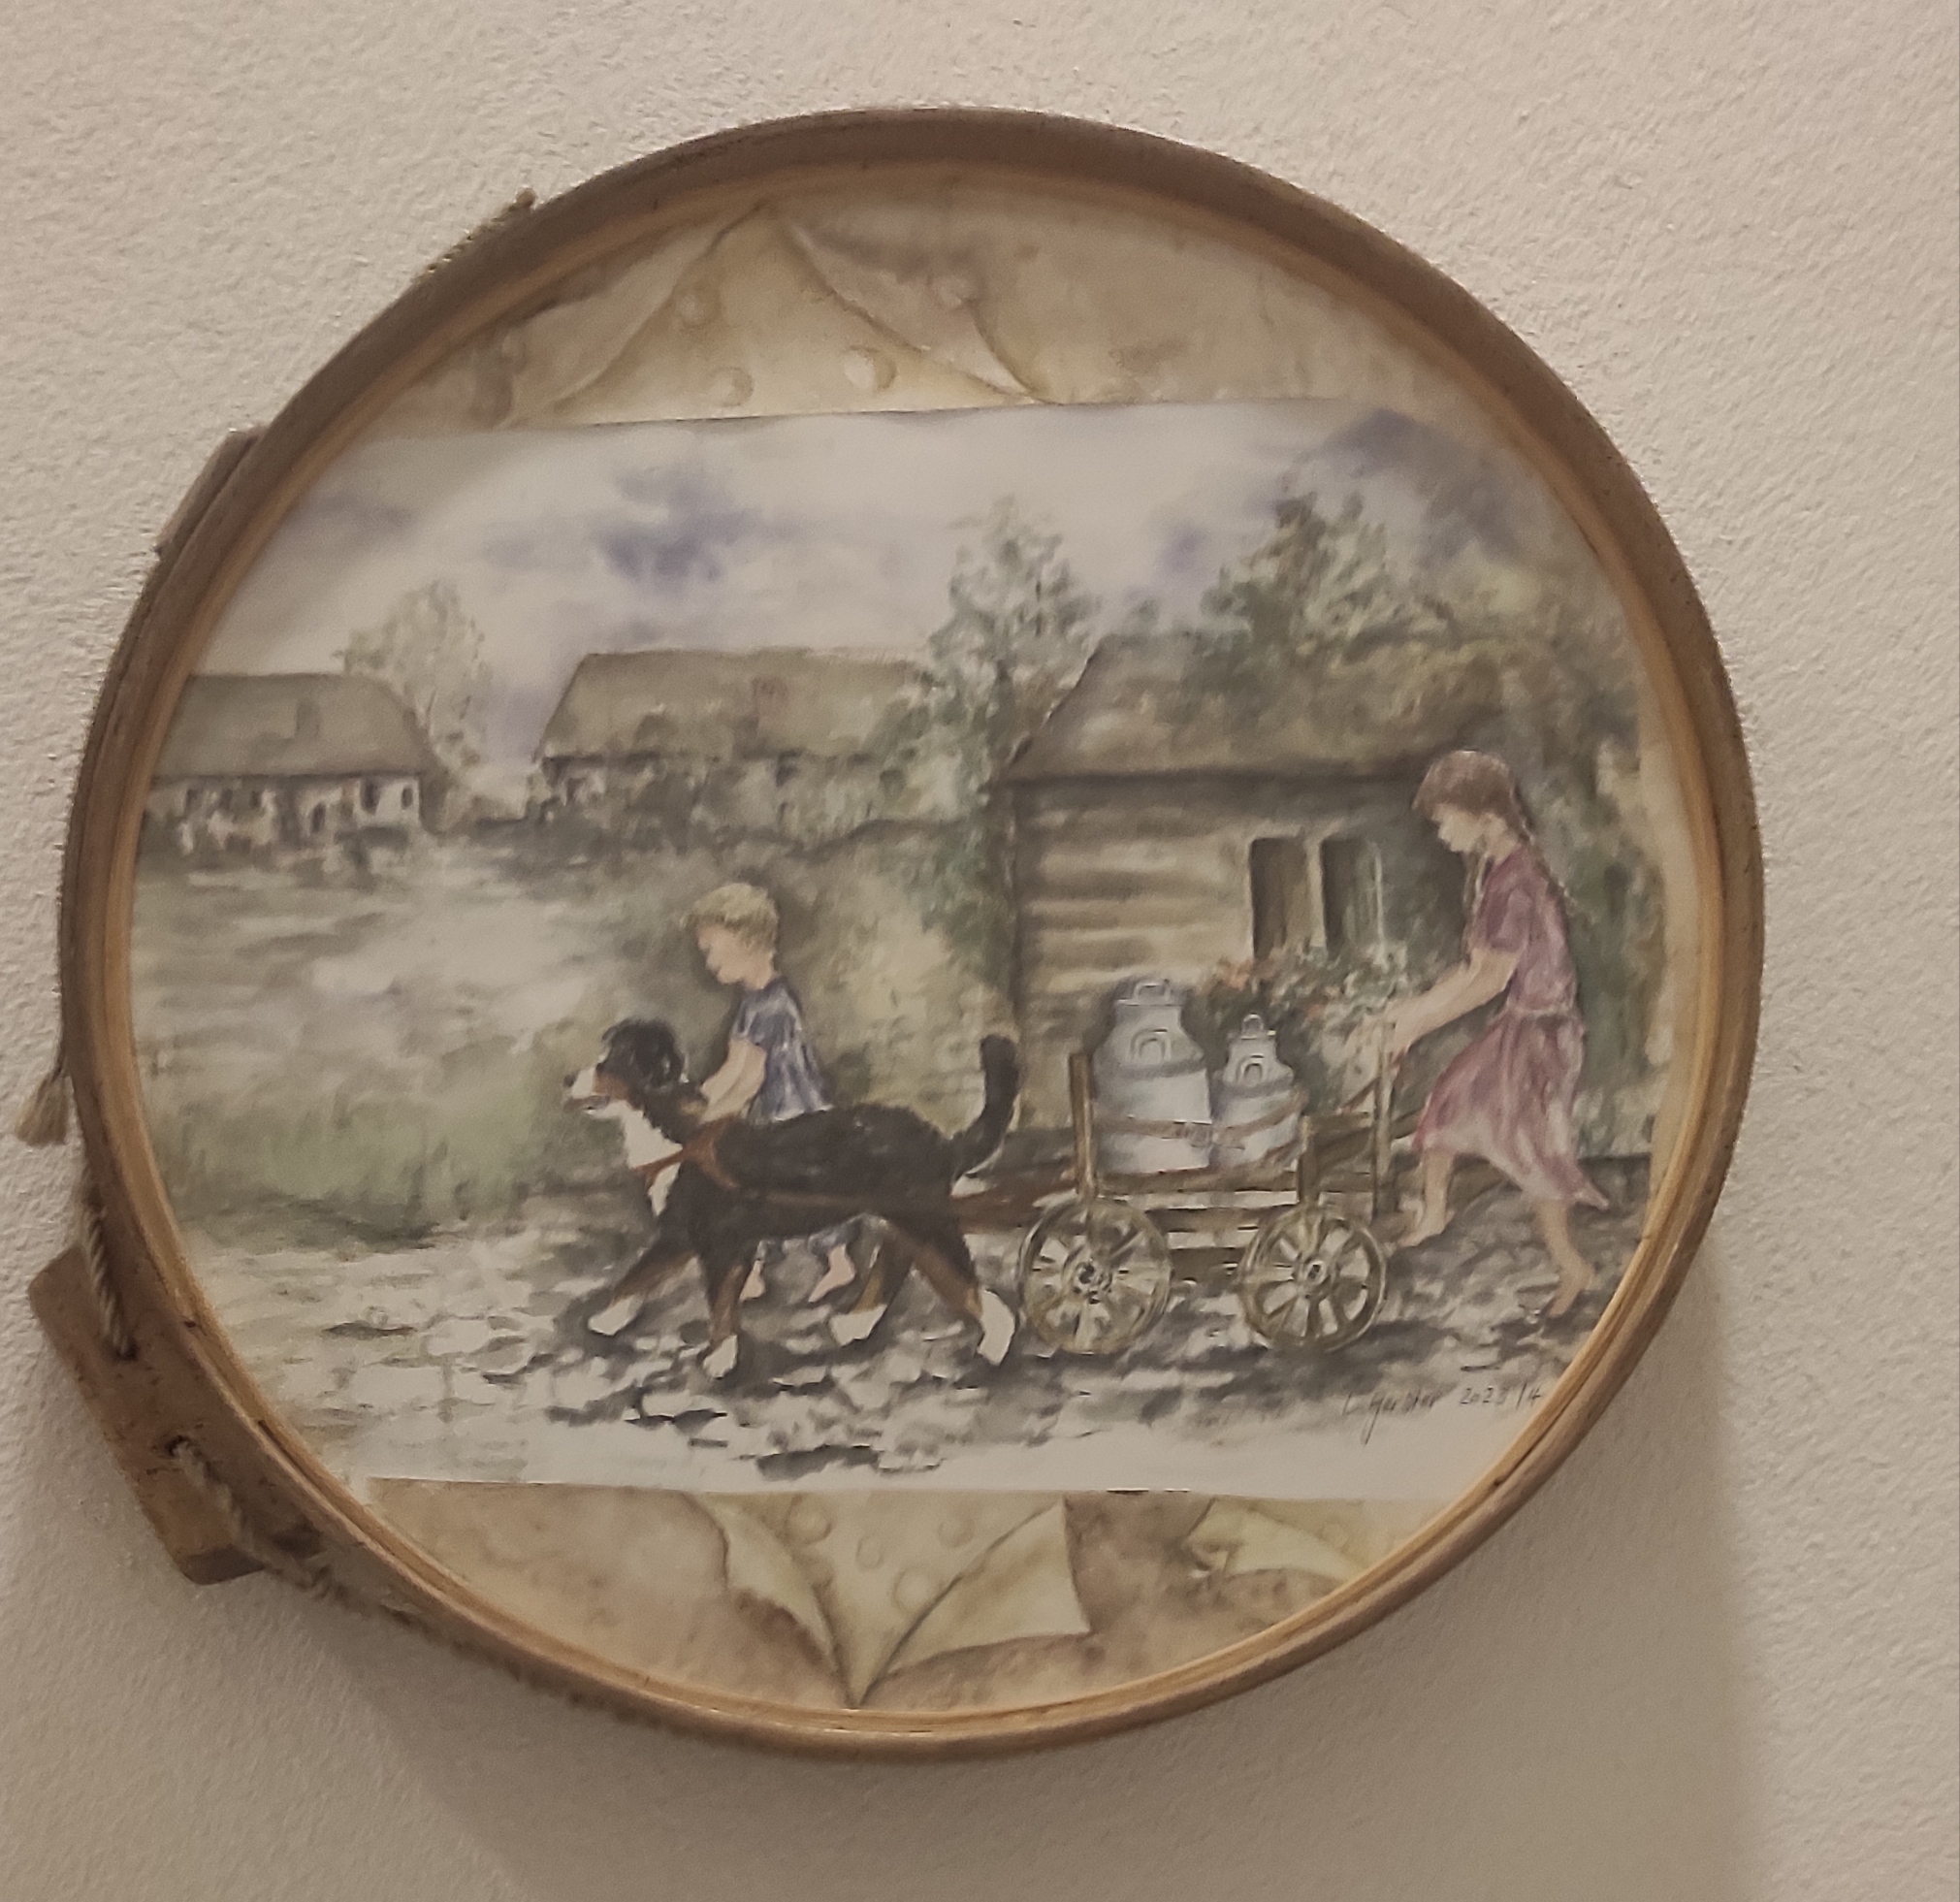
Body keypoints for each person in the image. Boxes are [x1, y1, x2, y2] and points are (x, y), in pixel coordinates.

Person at [1382, 751, 1607, 1319]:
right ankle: (1435, 1213)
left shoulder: (1516, 883)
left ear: (1485, 816)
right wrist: (1411, 1012)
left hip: (1541, 1034)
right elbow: (1474, 970)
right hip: (1526, 1025)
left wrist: (1417, 1023)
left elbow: (1489, 979)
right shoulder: (1502, 871)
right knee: (1448, 1103)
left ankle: (1572, 1266)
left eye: (1445, 819)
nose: (1441, 833)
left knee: (1536, 1153)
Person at [684, 881, 860, 1305]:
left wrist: (709, 1117)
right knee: (754, 1187)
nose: (708, 962)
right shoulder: (751, 1003)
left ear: (747, 941)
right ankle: (757, 1272)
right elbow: (732, 1068)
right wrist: (693, 1103)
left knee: (798, 1190)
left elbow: (750, 1079)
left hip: (798, 1114)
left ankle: (838, 1263)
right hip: (772, 1116)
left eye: (713, 950)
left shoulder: (774, 1004)